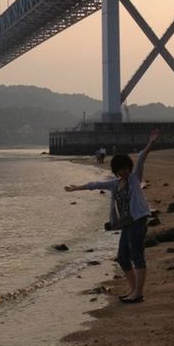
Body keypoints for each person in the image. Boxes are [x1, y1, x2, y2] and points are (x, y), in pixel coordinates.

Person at [65, 130, 159, 304]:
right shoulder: (115, 184)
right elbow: (95, 184)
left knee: (137, 256)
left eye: (125, 168)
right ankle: (133, 290)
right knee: (123, 258)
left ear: (129, 168)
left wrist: (151, 143)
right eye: (120, 169)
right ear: (115, 171)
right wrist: (76, 188)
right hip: (126, 224)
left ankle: (138, 293)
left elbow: (141, 158)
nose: (123, 171)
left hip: (138, 221)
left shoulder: (134, 179)